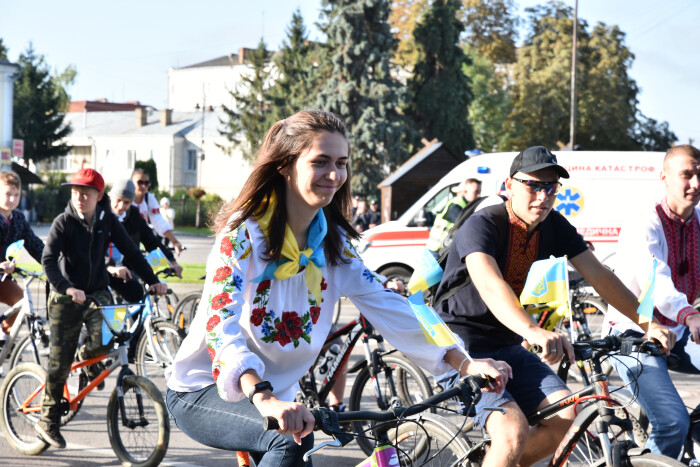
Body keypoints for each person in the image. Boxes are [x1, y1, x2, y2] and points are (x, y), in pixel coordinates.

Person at [165, 109, 508, 466]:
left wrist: (463, 362)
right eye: (321, 162)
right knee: (287, 443)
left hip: (283, 402)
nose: (334, 175)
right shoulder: (242, 236)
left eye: (342, 163)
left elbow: (392, 306)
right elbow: (221, 324)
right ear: (285, 165)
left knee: (294, 440)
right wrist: (262, 395)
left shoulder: (334, 245)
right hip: (204, 389)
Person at [434, 146, 674, 467]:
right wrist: (533, 330)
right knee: (512, 430)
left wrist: (649, 324)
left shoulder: (553, 225)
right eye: (533, 185)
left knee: (568, 414)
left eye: (551, 187)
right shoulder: (483, 225)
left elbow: (600, 276)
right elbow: (490, 284)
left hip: (506, 343)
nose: (543, 196)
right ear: (509, 186)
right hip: (458, 346)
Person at [37, 168, 168, 449]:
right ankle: (47, 419)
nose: (79, 197)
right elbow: (48, 260)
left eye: (86, 193)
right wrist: (67, 287)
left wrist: (153, 281)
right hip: (65, 296)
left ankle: (88, 359)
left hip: (97, 292)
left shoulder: (106, 220)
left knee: (107, 341)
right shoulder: (63, 222)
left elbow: (132, 252)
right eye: (75, 192)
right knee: (60, 361)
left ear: (99, 196)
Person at [603, 144, 700, 458]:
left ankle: (695, 429)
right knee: (672, 421)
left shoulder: (698, 222)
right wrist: (688, 314)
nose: (696, 183)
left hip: (680, 332)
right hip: (633, 333)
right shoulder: (645, 223)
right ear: (665, 178)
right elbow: (655, 282)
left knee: (683, 423)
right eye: (687, 174)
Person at [107, 179, 183, 303]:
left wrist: (171, 260)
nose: (121, 206)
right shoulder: (101, 214)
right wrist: (109, 266)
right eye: (118, 200)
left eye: (126, 202)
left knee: (137, 298)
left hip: (126, 269)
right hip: (104, 270)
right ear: (111, 197)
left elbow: (151, 240)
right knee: (107, 308)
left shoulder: (133, 215)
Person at [0, 171, 44, 343]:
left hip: (4, 279)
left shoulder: (18, 218)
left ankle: (3, 337)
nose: (12, 199)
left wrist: (52, 259)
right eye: (7, 194)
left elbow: (34, 244)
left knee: (22, 303)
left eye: (16, 194)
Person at [130, 168, 184, 255]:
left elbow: (159, 222)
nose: (144, 186)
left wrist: (175, 241)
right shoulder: (125, 198)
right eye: (140, 182)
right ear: (131, 183)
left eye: (147, 183)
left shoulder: (149, 198)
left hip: (140, 240)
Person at [426, 178, 482, 258]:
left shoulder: (467, 205)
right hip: (436, 251)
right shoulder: (456, 205)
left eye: (479, 192)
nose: (479, 195)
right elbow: (466, 225)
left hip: (443, 250)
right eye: (476, 192)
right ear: (465, 192)